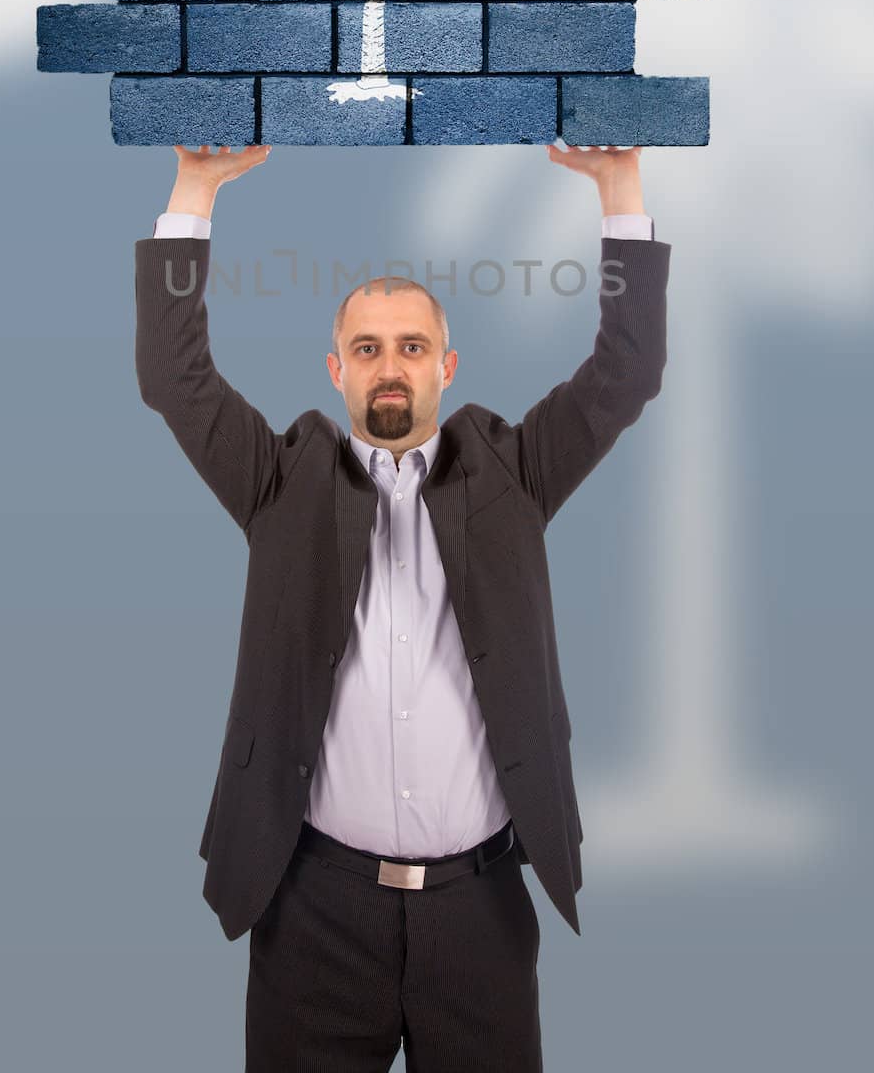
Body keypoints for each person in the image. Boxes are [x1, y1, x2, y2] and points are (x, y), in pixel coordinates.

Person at [136, 141, 671, 1071]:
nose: (392, 367)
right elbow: (174, 380)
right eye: (369, 349)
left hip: (482, 913)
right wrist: (195, 189)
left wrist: (618, 189)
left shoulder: (515, 470)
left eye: (412, 348)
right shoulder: (279, 481)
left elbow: (623, 375)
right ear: (335, 370)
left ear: (447, 368)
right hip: (312, 910)